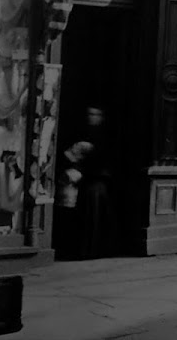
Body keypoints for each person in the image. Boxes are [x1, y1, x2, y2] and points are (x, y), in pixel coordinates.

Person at [60, 106, 117, 259]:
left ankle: (95, 250)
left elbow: (104, 161)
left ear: (101, 117)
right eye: (90, 114)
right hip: (85, 182)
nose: (92, 117)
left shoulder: (104, 138)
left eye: (95, 114)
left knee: (95, 214)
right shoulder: (83, 134)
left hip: (97, 182)